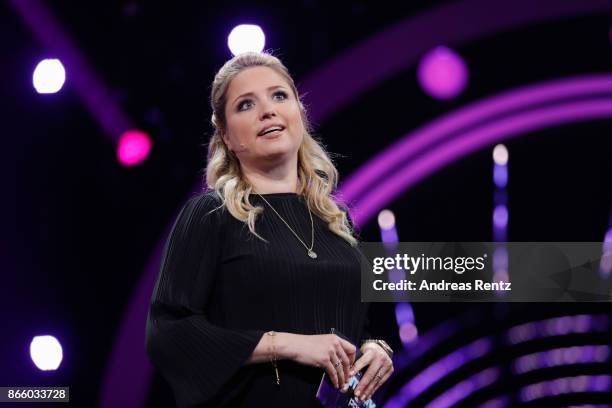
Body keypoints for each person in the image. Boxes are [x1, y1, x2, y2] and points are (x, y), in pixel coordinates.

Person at [145, 51, 394, 407]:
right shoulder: (211, 215)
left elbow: (353, 325)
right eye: (246, 104)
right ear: (227, 136)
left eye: (279, 95)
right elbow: (167, 334)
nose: (268, 110)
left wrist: (373, 348)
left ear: (299, 113)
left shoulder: (335, 220)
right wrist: (287, 345)